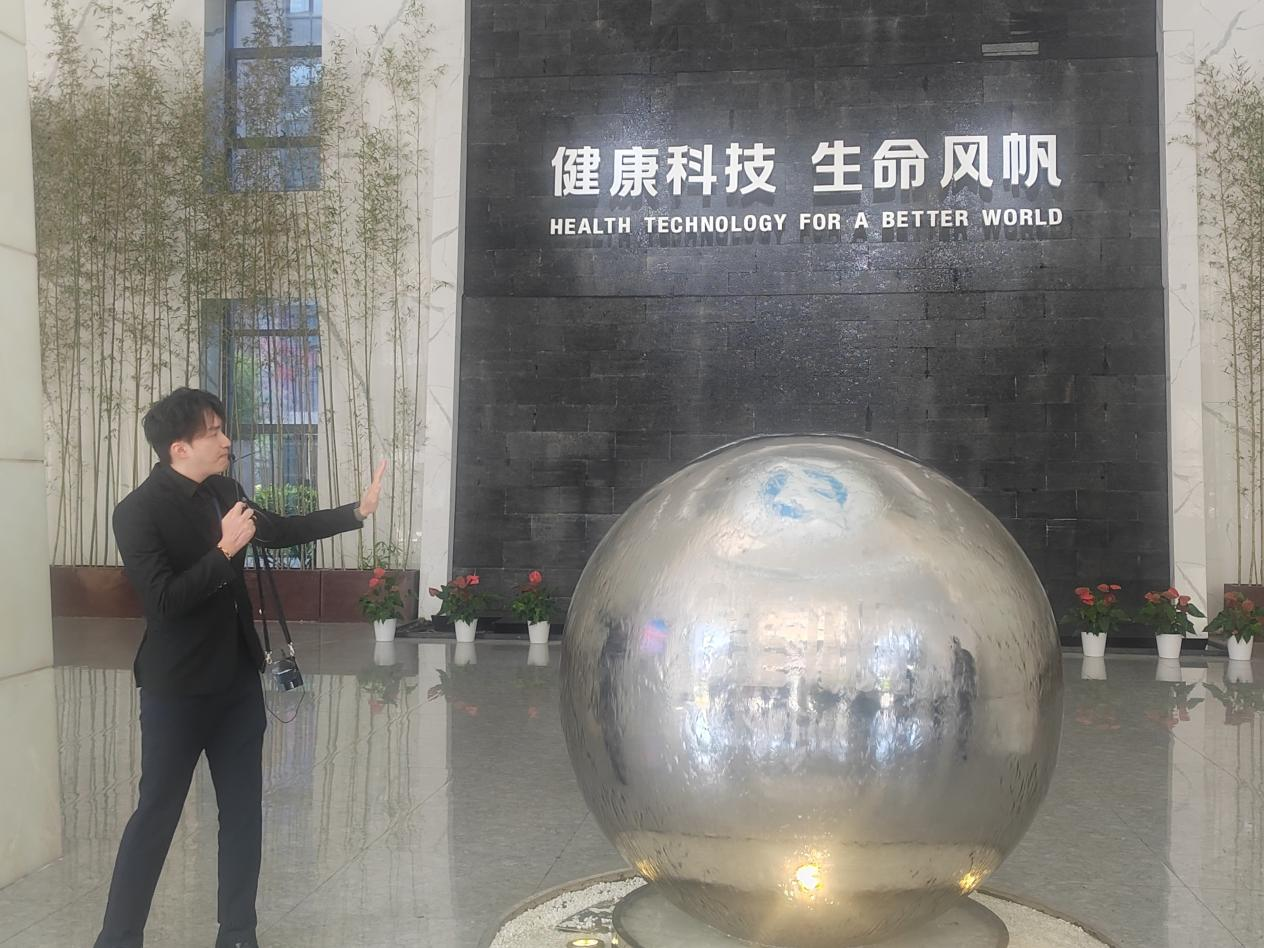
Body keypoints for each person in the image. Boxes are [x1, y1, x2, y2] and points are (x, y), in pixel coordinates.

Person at [94, 387, 388, 948]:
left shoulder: (223, 491)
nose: (227, 440)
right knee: (156, 815)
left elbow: (280, 529)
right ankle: (117, 938)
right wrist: (224, 550)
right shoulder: (137, 512)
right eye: (213, 432)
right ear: (179, 448)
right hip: (176, 689)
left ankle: (237, 934)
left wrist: (356, 512)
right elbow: (163, 602)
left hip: (236, 682)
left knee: (243, 814)